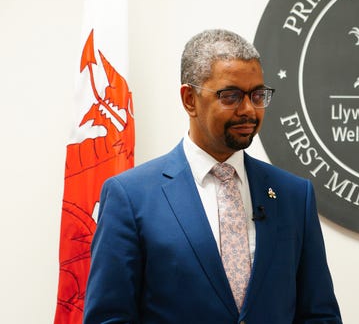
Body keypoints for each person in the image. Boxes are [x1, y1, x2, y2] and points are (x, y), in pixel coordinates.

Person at [84, 29, 342, 324]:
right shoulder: (130, 197)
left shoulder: (294, 196)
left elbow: (319, 315)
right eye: (230, 96)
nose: (249, 110)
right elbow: (108, 318)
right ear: (189, 99)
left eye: (257, 95)